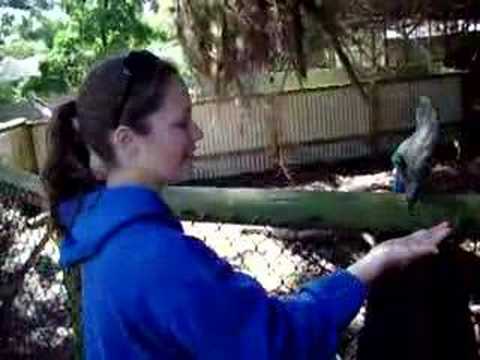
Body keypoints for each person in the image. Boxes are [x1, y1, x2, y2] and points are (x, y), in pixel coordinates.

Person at [42, 50, 452, 360]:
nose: (198, 133)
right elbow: (276, 343)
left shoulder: (98, 236)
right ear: (127, 141)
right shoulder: (156, 257)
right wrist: (370, 267)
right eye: (182, 122)